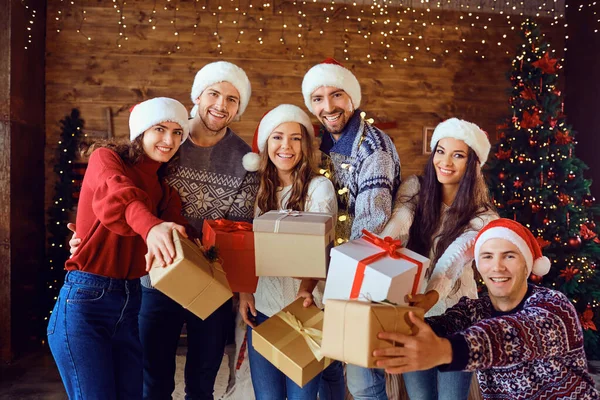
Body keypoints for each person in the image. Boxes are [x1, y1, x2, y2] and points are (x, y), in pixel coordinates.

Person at [68, 61, 258, 399]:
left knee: (202, 378)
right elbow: (118, 193)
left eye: (232, 99)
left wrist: (241, 284)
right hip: (151, 279)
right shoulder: (161, 141)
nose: (221, 105)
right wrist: (90, 231)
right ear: (196, 97)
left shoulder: (245, 159)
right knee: (152, 381)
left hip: (211, 273)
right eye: (214, 93)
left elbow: (238, 226)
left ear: (238, 108)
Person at [48, 97, 190, 399]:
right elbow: (118, 194)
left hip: (131, 303)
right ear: (140, 131)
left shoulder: (166, 192)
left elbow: (179, 243)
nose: (169, 139)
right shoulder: (106, 159)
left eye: (178, 132)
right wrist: (150, 227)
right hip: (86, 302)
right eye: (160, 128)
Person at [374, 218, 600, 400]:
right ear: (478, 265)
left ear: (527, 264)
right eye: (487, 256)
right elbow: (444, 323)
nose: (497, 266)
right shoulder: (475, 309)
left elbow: (511, 334)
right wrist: (398, 326)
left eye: (509, 256)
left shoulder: (554, 306)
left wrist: (446, 350)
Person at [302, 58, 401, 399]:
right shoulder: (322, 145)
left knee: (362, 381)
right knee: (328, 366)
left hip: (362, 275)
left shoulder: (374, 149)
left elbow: (370, 225)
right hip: (332, 273)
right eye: (317, 98)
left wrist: (339, 284)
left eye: (336, 95)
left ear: (352, 98)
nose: (327, 106)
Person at [381, 117, 497, 400]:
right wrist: (385, 243)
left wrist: (432, 295)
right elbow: (401, 219)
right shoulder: (415, 188)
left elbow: (455, 258)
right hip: (414, 314)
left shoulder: (484, 217)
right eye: (441, 151)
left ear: (472, 165)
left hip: (457, 319)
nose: (446, 161)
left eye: (458, 155)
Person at [237, 104, 345, 400]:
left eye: (295, 138)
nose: (286, 146)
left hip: (304, 311)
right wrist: (246, 292)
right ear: (265, 145)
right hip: (264, 309)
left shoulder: (319, 188)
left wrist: (307, 287)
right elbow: (248, 248)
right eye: (278, 137)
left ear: (305, 145)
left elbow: (322, 249)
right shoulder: (257, 190)